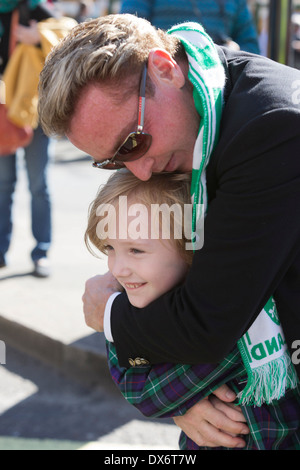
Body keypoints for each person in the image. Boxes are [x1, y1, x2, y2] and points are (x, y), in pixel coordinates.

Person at [38, 14, 300, 447]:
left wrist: (106, 313)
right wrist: (184, 400)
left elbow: (204, 324)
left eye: (133, 141)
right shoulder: (207, 106)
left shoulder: (274, 128)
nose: (138, 171)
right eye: (112, 161)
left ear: (164, 68)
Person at [85, 168, 300, 450]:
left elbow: (145, 391)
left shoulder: (224, 320)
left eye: (136, 250)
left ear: (190, 247)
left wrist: (111, 315)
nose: (117, 269)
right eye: (110, 247)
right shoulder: (165, 298)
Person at [0, 0, 53, 276]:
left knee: (38, 185)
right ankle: (0, 253)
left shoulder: (33, 7)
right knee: (2, 185)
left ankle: (41, 252)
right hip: (2, 111)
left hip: (34, 110)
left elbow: (68, 37)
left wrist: (38, 38)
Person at [120, 0, 260, 53]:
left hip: (221, 89)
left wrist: (231, 54)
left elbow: (251, 48)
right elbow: (128, 37)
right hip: (163, 85)